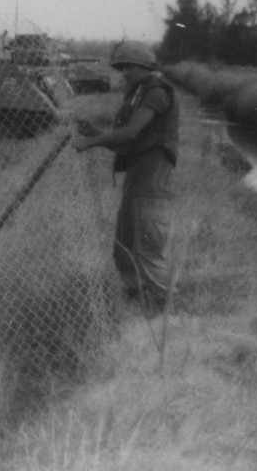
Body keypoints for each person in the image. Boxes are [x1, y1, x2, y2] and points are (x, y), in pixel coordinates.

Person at [73, 40, 179, 312]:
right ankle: (137, 307)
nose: (125, 73)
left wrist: (90, 143)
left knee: (147, 254)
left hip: (152, 187)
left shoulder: (156, 93)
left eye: (130, 67)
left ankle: (169, 314)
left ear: (146, 66)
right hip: (135, 186)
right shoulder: (138, 93)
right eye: (122, 68)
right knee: (123, 253)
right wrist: (95, 132)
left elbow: (131, 133)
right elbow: (126, 145)